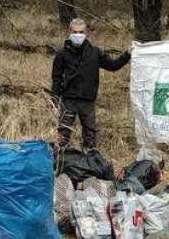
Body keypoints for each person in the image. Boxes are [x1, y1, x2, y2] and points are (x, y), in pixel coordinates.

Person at [51, 18, 130, 152]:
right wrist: (54, 99)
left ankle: (90, 161)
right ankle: (60, 161)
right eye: (75, 32)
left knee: (90, 134)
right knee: (63, 134)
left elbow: (112, 65)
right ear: (70, 32)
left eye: (81, 32)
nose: (78, 35)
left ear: (85, 32)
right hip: (68, 99)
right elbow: (56, 78)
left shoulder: (95, 52)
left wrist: (127, 54)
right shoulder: (62, 54)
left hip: (88, 100)